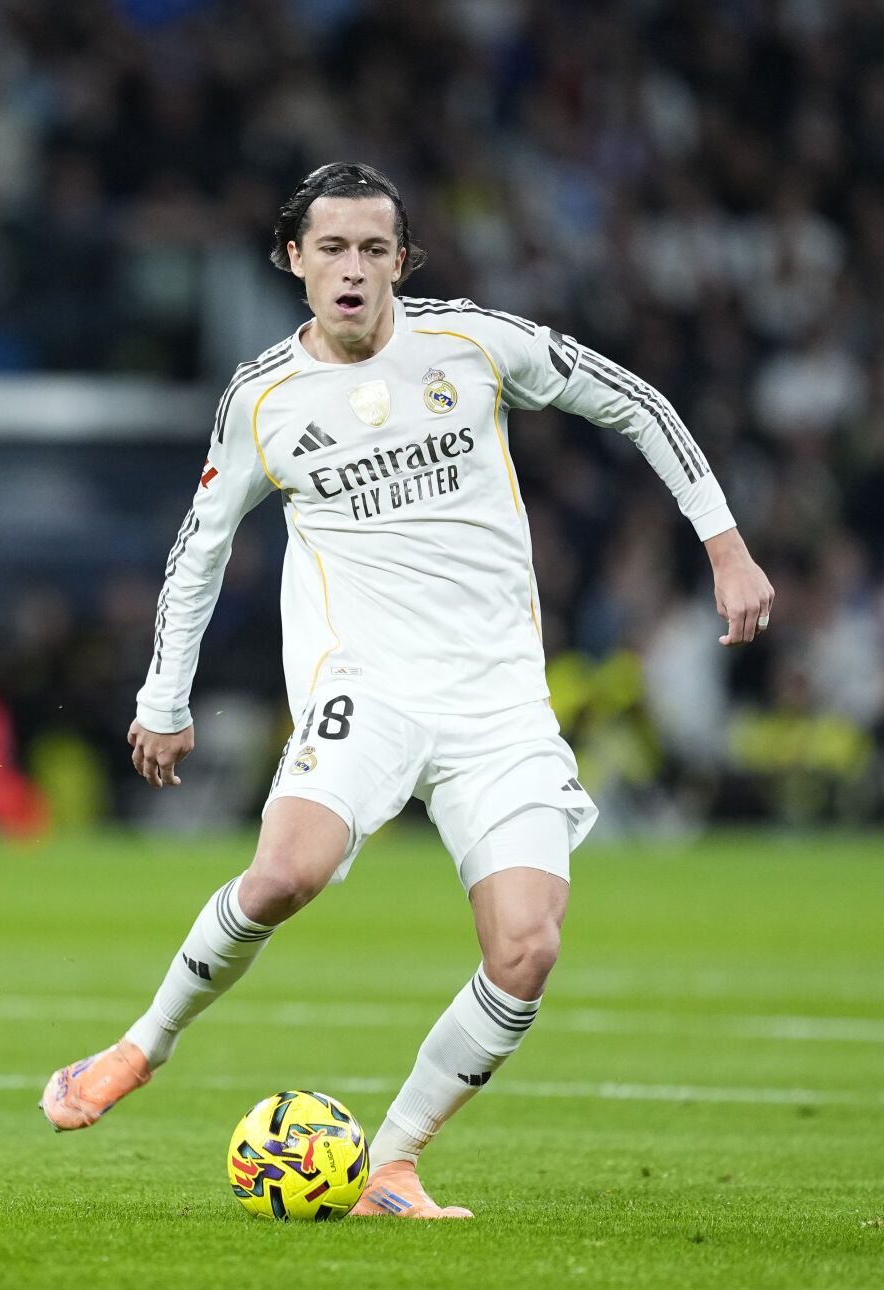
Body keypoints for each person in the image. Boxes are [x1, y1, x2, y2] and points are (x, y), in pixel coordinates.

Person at [40, 164, 775, 1219]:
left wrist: (724, 544)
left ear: (401, 261)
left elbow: (634, 401)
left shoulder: (472, 343)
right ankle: (139, 1046)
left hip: (498, 702)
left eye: (373, 249)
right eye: (331, 248)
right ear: (292, 259)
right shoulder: (261, 398)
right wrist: (165, 696)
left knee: (525, 948)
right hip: (366, 686)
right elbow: (200, 547)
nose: (352, 269)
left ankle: (390, 1163)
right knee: (283, 873)